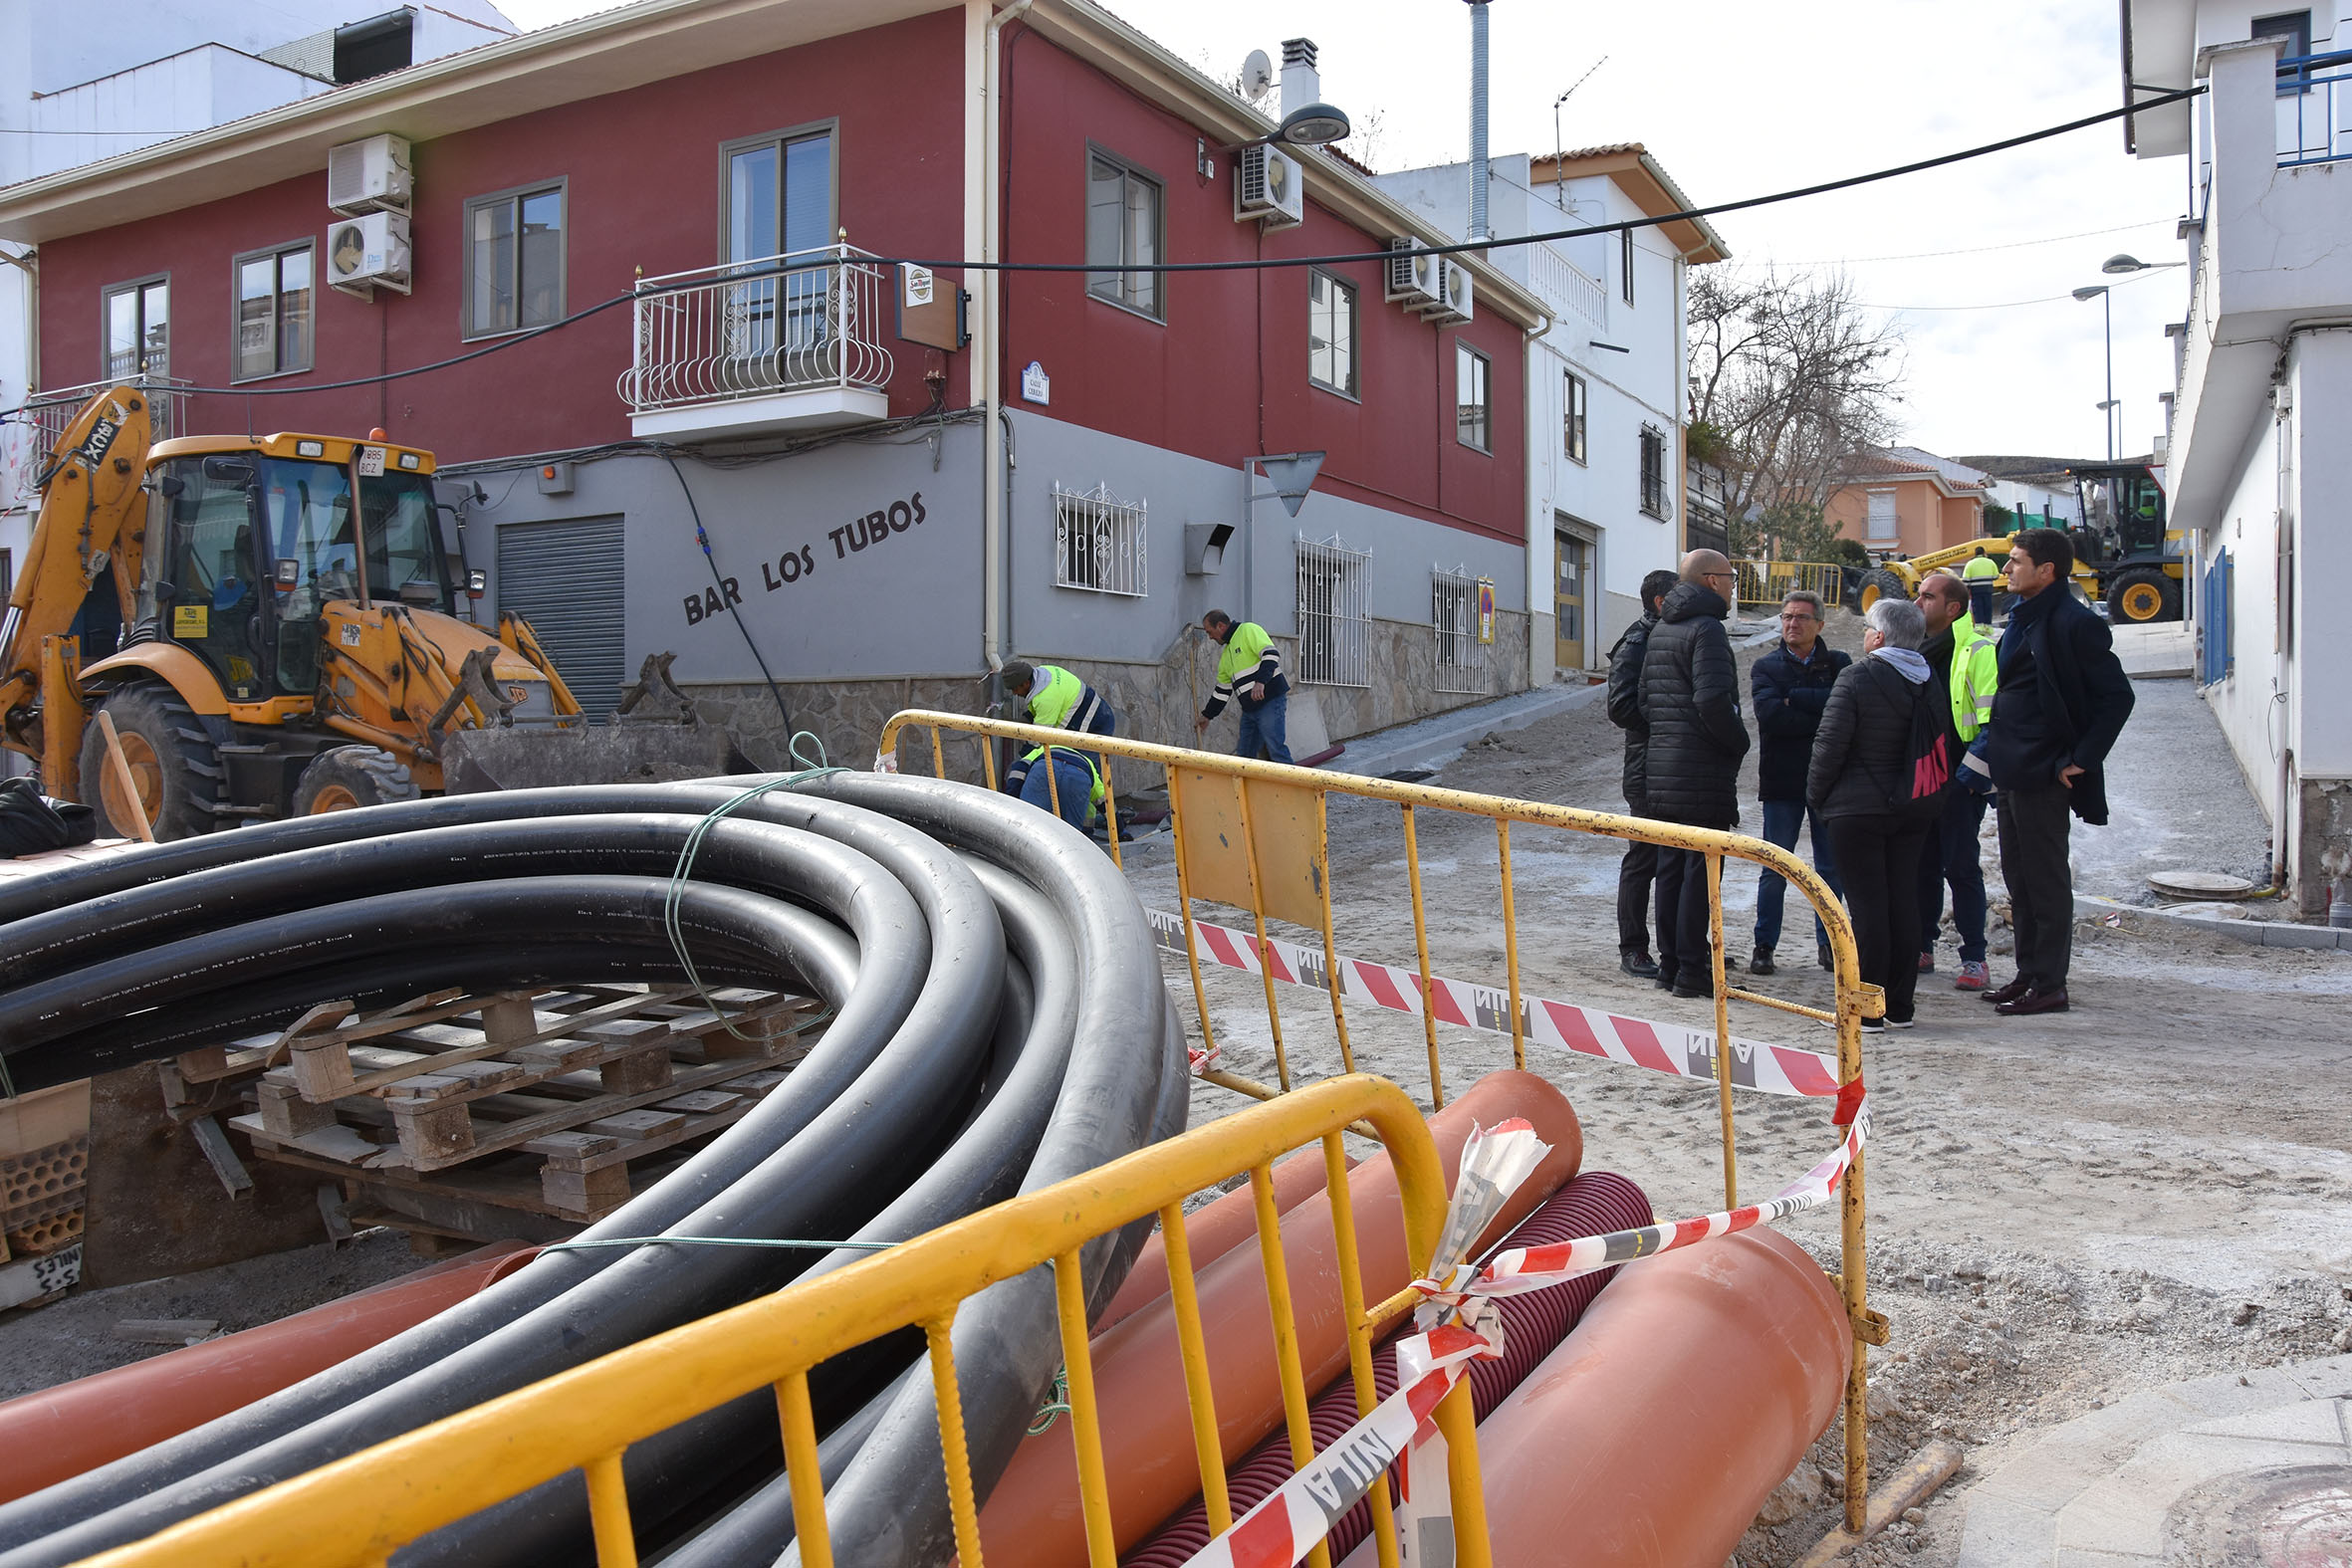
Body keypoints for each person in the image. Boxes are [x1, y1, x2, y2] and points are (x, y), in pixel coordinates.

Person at [1981, 528, 2136, 1016]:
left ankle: (2051, 984)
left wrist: (2081, 759)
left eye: (2016, 561)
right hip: (2011, 769)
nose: (2006, 569)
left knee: (2045, 880)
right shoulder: (2023, 618)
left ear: (2047, 571)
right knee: (2019, 877)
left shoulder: (2074, 623)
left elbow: (2117, 697)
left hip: (2044, 772)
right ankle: (2029, 973)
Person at [1806, 597, 1944, 1031]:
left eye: (1868, 627)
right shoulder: (1928, 678)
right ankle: (1899, 1007)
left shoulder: (1858, 676)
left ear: (1879, 636)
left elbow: (1829, 746)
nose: (1865, 633)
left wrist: (1817, 797)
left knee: (1866, 909)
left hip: (1858, 810)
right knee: (1904, 901)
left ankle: (1865, 1011)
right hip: (1913, 806)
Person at [1638, 550, 1751, 998]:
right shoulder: (1707, 630)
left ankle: (1670, 964)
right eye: (1730, 578)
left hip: (1662, 767)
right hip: (1699, 769)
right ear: (1710, 581)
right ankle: (1690, 969)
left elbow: (1645, 703)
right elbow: (1712, 701)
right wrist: (1738, 741)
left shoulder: (1663, 629)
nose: (1732, 585)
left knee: (1670, 867)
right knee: (1699, 872)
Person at [1748, 587, 1850, 976]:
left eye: (1800, 617)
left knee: (1831, 869)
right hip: (1782, 782)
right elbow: (1772, 717)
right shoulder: (1766, 666)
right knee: (1774, 867)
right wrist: (1817, 706)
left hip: (1830, 781)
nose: (1791, 623)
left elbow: (1845, 715)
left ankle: (1830, 947)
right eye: (1787, 617)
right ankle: (1764, 945)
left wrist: (1796, 698)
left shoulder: (1840, 664)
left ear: (1819, 624)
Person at [1913, 571, 1999, 990]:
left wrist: (1966, 780)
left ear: (1952, 608)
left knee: (1961, 867)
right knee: (1921, 864)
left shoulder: (1978, 649)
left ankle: (1974, 958)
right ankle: (1922, 945)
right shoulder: (1911, 647)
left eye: (1927, 596)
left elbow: (1992, 722)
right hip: (1920, 779)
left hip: (1958, 782)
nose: (1917, 603)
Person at [1605, 568, 1681, 979]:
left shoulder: (1671, 635)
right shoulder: (1636, 642)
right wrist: (1668, 723)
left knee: (1680, 859)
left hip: (1673, 765)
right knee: (1644, 858)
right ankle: (1633, 948)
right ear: (1659, 602)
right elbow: (1619, 707)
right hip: (1646, 769)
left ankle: (1685, 946)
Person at [999, 660, 1115, 797]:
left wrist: (1020, 763)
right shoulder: (1044, 673)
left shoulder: (1045, 699)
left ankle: (1098, 816)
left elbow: (1038, 741)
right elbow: (1039, 711)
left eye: (1015, 689)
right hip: (1096, 713)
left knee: (1085, 776)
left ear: (1025, 683)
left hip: (1095, 727)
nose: (1014, 693)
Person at [1194, 609, 1292, 764]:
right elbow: (1222, 692)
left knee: (1276, 751)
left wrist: (1261, 682)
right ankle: (1246, 788)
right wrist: (1207, 716)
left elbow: (1271, 654)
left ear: (1220, 626)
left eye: (1210, 632)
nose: (1210, 637)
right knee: (1244, 757)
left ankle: (1293, 788)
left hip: (1270, 702)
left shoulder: (1248, 630)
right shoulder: (1226, 655)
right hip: (1250, 710)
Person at [1016, 742, 1106, 833]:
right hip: (1079, 775)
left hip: (1045, 766)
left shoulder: (1042, 749)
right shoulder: (1089, 763)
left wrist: (1011, 805)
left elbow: (1018, 770)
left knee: (1029, 826)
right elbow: (1105, 803)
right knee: (1070, 836)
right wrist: (1120, 831)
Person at [1962, 546, 2001, 627]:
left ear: (1975, 553)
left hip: (1975, 590)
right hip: (1988, 589)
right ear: (1984, 553)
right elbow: (1996, 576)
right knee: (1988, 607)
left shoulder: (1970, 563)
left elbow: (1965, 579)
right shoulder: (1990, 562)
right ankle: (1988, 626)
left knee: (1978, 608)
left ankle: (1979, 627)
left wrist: (1967, 589)